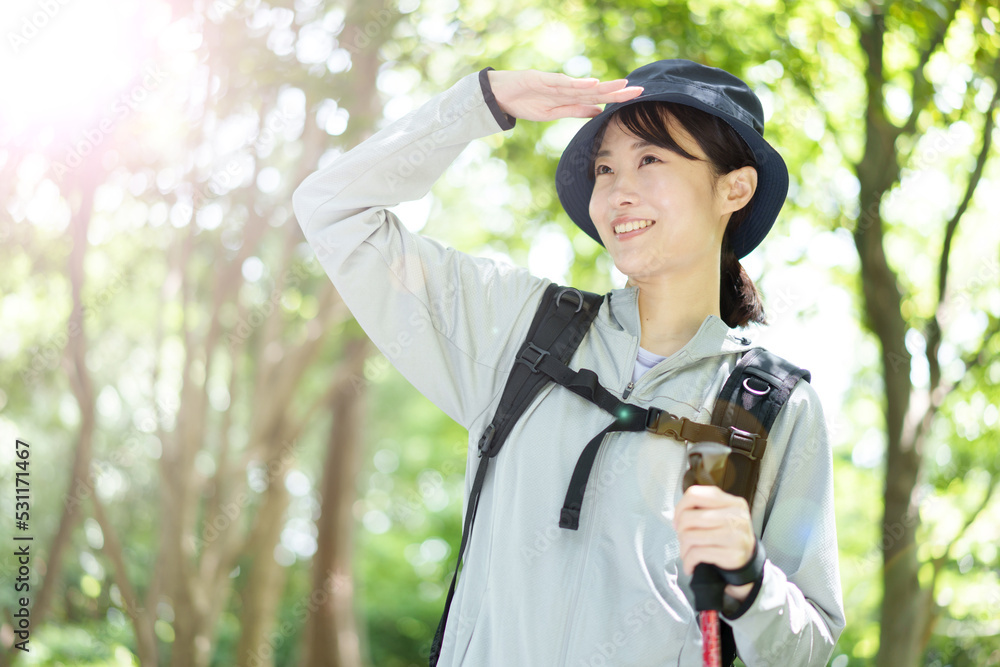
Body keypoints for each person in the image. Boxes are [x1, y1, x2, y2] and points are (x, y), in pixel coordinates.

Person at [293, 59, 845, 665]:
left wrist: (750, 580)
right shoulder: (517, 330)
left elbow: (809, 647)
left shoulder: (772, 405)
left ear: (732, 188)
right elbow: (333, 212)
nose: (616, 189)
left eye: (651, 159)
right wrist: (479, 102)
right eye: (604, 168)